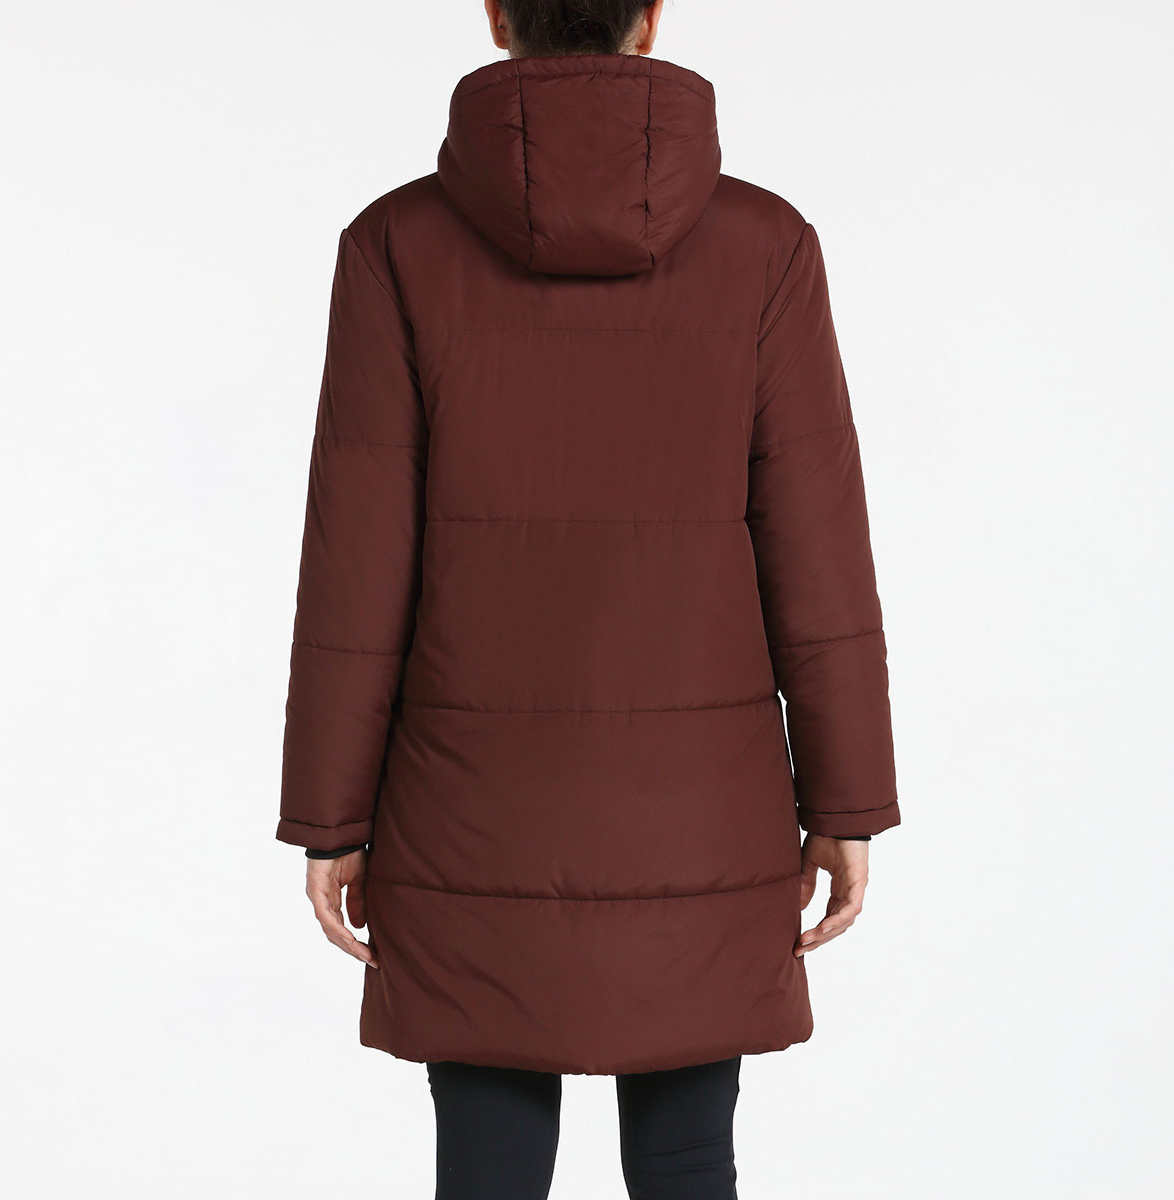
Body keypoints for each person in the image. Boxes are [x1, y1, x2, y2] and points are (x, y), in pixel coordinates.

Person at [275, 2, 899, 1196]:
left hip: (470, 809)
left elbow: (356, 558)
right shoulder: (766, 245)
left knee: (488, 1168)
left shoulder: (396, 244)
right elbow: (818, 547)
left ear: (495, 16)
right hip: (702, 810)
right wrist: (846, 799)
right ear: (650, 19)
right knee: (686, 1163)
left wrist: (331, 814)